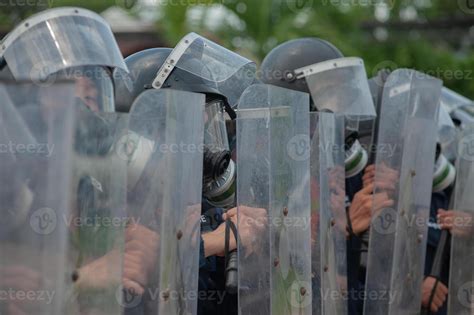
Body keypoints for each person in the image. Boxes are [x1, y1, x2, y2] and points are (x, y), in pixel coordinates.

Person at [261, 37, 389, 314]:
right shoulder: (263, 176)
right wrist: (342, 234)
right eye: (331, 94)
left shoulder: (345, 174)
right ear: (301, 104)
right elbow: (267, 274)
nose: (342, 106)